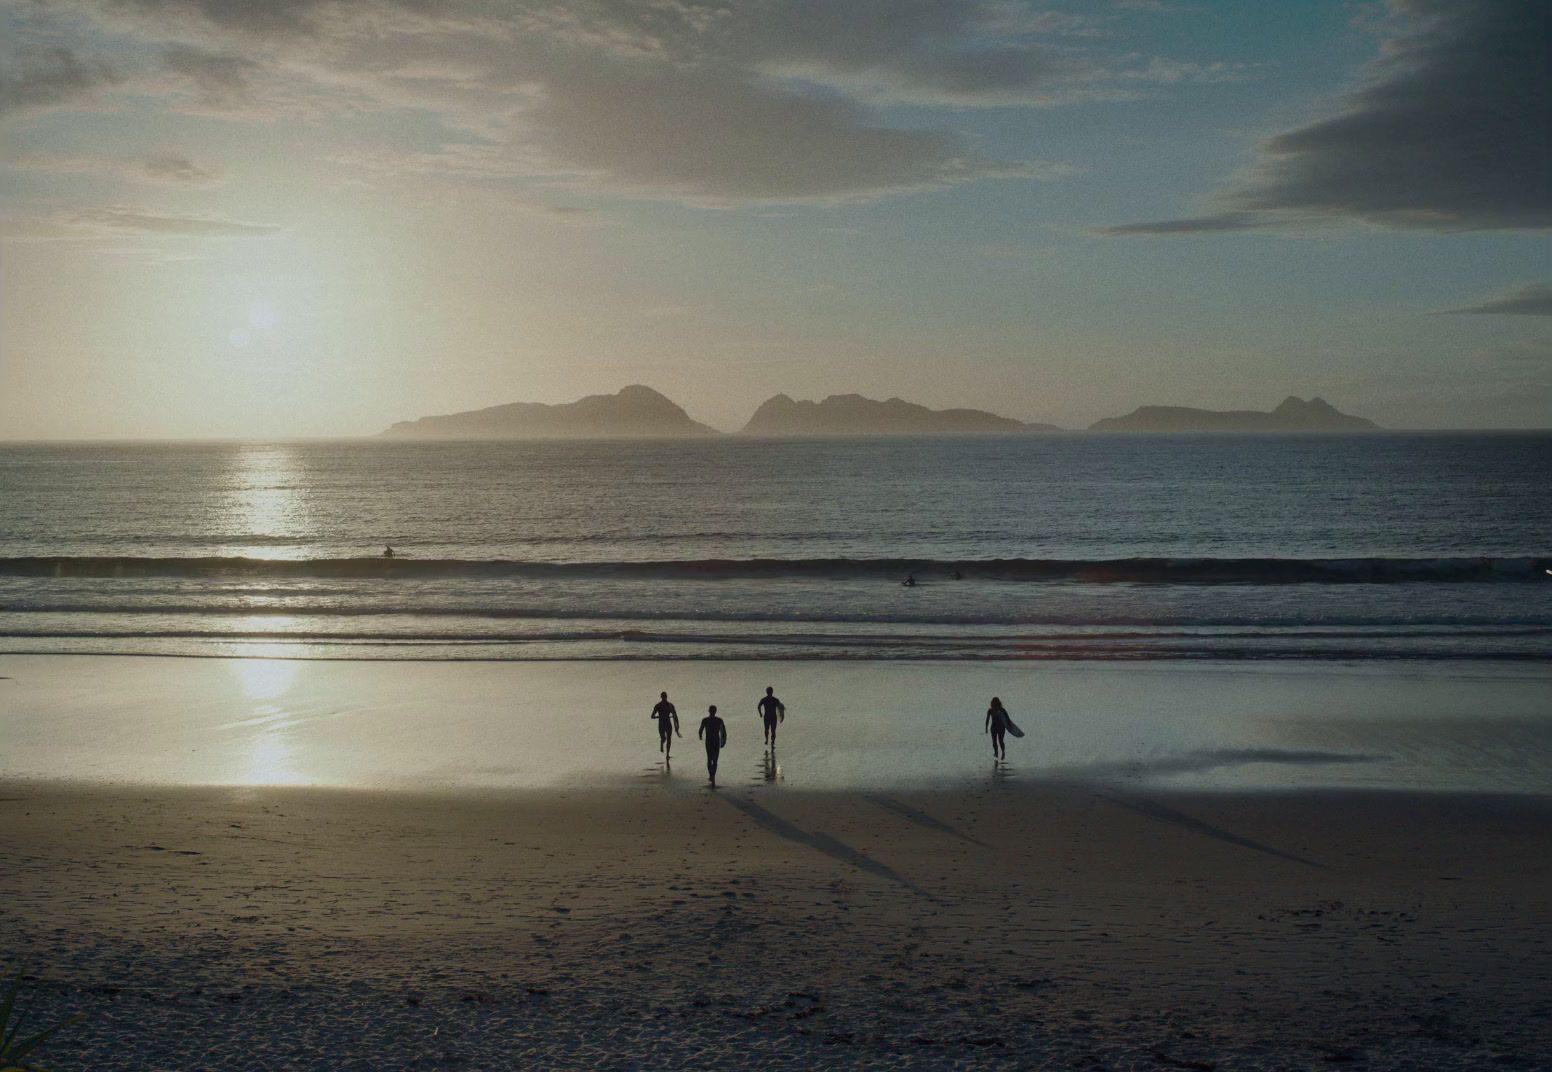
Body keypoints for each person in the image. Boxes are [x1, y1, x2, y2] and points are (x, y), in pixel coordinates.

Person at [698, 704, 728, 786]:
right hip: (716, 741)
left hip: (709, 741)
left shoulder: (705, 720)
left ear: (709, 711)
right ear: (715, 711)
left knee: (709, 759)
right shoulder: (719, 720)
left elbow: (700, 731)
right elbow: (723, 732)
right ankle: (713, 776)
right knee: (715, 760)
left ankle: (711, 775)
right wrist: (723, 741)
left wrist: (700, 736)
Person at [651, 691, 680, 758]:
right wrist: (658, 716)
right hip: (663, 723)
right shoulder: (659, 706)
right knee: (664, 739)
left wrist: (677, 726)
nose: (664, 698)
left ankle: (667, 754)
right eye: (664, 697)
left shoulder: (668, 705)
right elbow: (652, 716)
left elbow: (675, 716)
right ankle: (662, 745)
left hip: (666, 724)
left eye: (664, 697)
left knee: (668, 739)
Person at [985, 696, 1010, 761]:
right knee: (997, 741)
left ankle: (1000, 752)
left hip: (998, 727)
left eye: (995, 703)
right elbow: (987, 719)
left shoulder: (1000, 710)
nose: (994, 704)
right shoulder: (992, 710)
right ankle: (998, 752)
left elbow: (1007, 718)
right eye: (994, 703)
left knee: (998, 741)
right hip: (997, 727)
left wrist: (986, 728)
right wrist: (986, 728)